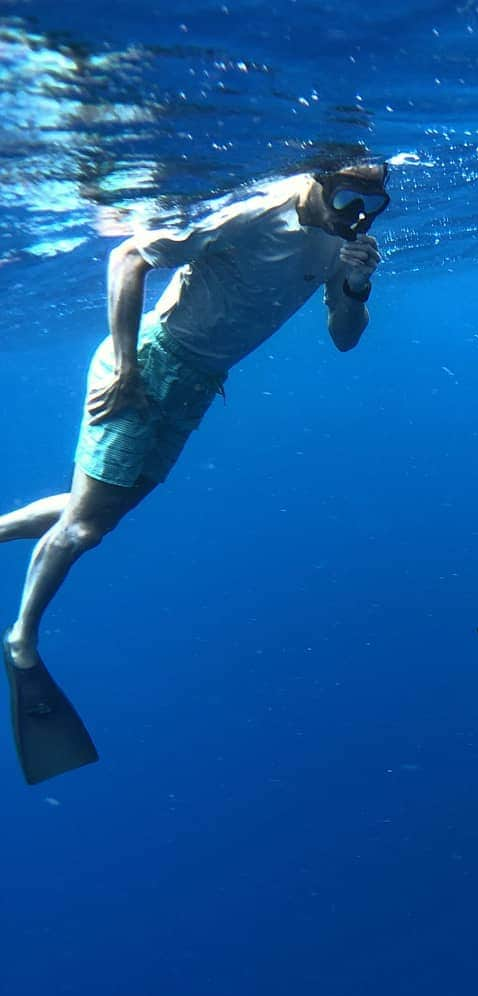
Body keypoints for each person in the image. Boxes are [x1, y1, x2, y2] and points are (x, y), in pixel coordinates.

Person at [1, 157, 390, 783]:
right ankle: (21, 643)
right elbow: (129, 255)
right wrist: (126, 366)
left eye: (372, 206)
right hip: (151, 365)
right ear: (318, 179)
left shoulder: (346, 243)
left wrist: (355, 287)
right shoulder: (260, 209)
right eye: (346, 198)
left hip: (198, 382)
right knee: (86, 528)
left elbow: (345, 338)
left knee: (97, 512)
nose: (357, 216)